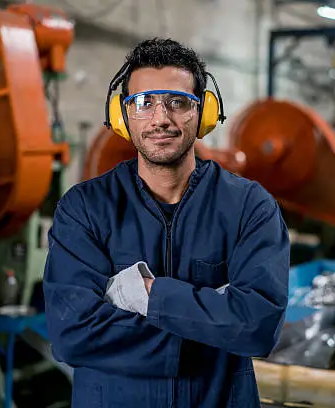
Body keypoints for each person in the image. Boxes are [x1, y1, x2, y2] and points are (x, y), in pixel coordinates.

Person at [43, 38, 290, 408]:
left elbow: (257, 327)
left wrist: (148, 294)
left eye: (178, 102)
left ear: (204, 113)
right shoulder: (84, 208)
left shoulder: (249, 206)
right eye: (143, 104)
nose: (161, 119)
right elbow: (71, 334)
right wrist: (213, 324)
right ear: (122, 116)